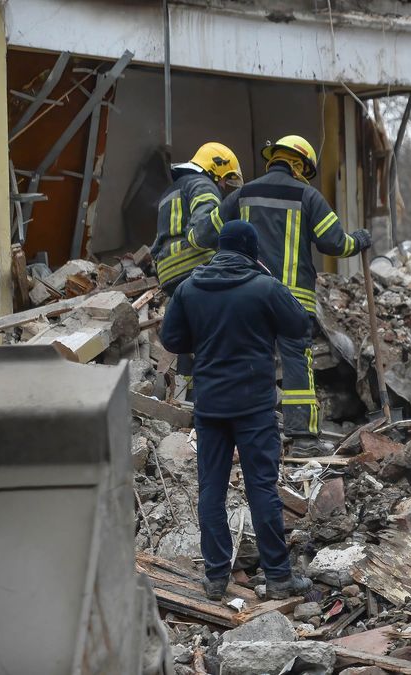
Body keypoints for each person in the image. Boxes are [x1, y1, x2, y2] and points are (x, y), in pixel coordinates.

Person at [160, 220, 314, 601]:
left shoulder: (190, 288)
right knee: (261, 486)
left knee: (210, 488)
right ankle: (278, 577)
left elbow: (172, 338)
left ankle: (215, 577)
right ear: (251, 250)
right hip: (254, 407)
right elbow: (299, 324)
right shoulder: (263, 286)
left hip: (210, 406)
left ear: (219, 248)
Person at [194, 134, 371, 458]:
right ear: (300, 165)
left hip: (247, 298)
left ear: (273, 158)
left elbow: (206, 234)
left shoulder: (243, 195)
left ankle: (243, 434)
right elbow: (335, 243)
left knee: (247, 360)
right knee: (295, 364)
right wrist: (359, 240)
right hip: (293, 299)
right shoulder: (308, 196)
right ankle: (303, 440)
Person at [153, 142, 243, 294]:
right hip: (195, 266)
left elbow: (156, 245)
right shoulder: (203, 185)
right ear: (216, 167)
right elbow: (202, 234)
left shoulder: (169, 192)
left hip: (166, 274)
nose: (223, 185)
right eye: (225, 178)